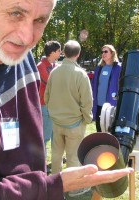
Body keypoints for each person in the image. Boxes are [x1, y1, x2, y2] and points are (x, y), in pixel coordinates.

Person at [0, 1, 133, 199]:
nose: (27, 37)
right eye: (15, 13)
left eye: (40, 20)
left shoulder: (19, 53)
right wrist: (51, 186)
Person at [44, 40, 91, 197]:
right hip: (75, 124)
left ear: (63, 52)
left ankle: (53, 186)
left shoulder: (54, 72)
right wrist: (87, 119)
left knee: (56, 156)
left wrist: (54, 113)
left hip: (57, 122)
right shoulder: (81, 75)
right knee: (73, 158)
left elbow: (46, 96)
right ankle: (73, 189)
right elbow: (87, 101)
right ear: (78, 54)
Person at [37, 41, 61, 156]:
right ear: (52, 53)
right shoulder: (40, 66)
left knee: (55, 136)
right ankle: (42, 163)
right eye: (59, 51)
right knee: (45, 136)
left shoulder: (55, 66)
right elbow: (51, 83)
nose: (60, 53)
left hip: (54, 106)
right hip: (44, 105)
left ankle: (56, 161)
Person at [91, 44, 121, 132]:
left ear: (112, 53)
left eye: (106, 51)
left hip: (111, 105)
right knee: (99, 129)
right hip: (98, 103)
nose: (103, 54)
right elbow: (93, 84)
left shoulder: (118, 68)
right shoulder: (99, 68)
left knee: (110, 129)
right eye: (102, 52)